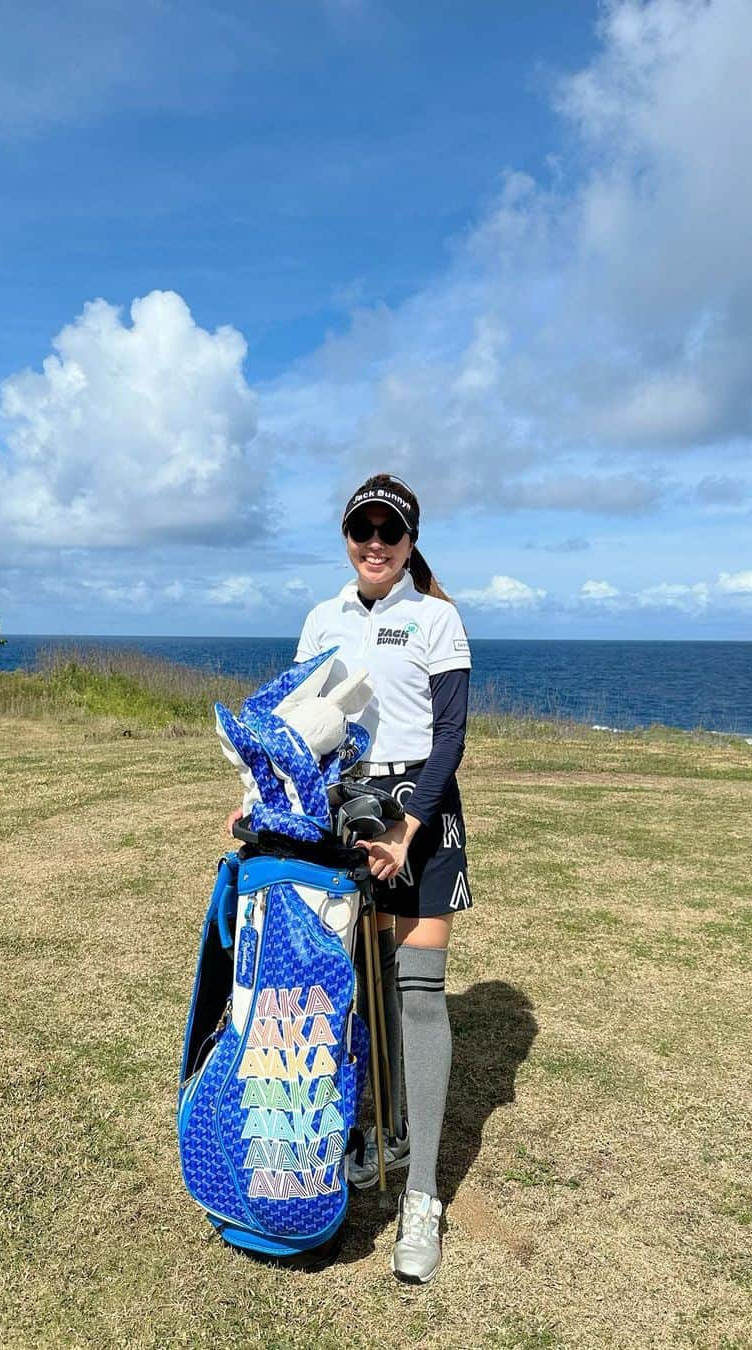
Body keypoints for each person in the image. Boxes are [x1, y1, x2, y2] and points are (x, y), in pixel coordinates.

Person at [295, 472, 473, 1284]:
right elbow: (301, 723)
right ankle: (366, 1130)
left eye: (389, 532)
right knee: (351, 985)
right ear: (347, 535)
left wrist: (408, 828)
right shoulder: (322, 617)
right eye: (362, 529)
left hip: (421, 807)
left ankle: (424, 1193)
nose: (375, 543)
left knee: (419, 993)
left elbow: (450, 736)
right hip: (344, 802)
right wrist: (261, 796)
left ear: (409, 544)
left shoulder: (436, 617)